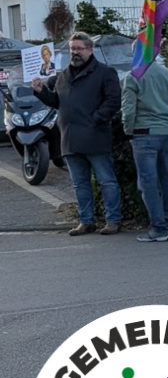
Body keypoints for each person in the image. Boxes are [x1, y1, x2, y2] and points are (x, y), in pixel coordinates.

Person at [32, 32, 122, 236]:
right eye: (72, 49)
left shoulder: (105, 73)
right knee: (80, 184)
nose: (75, 53)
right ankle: (86, 221)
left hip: (95, 137)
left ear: (90, 50)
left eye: (79, 49)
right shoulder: (63, 76)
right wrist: (40, 92)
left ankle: (113, 220)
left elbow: (113, 101)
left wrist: (95, 120)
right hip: (70, 139)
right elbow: (57, 102)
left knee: (106, 180)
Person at [121, 50, 168, 242]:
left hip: (143, 134)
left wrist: (128, 130)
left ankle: (159, 228)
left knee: (148, 183)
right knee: (166, 178)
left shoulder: (132, 77)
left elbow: (129, 111)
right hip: (166, 133)